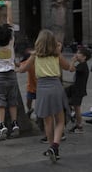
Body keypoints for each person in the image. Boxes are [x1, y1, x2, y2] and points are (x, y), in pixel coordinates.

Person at [18, 29, 70, 162]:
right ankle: (55, 147)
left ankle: (51, 146)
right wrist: (59, 50)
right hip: (56, 86)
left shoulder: (35, 56)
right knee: (60, 121)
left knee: (48, 121)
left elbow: (23, 69)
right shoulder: (56, 55)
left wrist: (15, 66)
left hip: (41, 88)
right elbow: (67, 67)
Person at [0, 0, 20, 139]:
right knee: (12, 99)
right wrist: (8, 6)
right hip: (11, 74)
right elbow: (10, 23)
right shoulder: (11, 40)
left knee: (0, 100)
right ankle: (14, 123)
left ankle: (2, 125)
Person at [66, 47, 91, 134]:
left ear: (84, 57)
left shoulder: (82, 65)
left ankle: (79, 126)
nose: (76, 54)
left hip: (78, 90)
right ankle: (74, 118)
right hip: (76, 89)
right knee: (74, 105)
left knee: (77, 108)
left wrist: (73, 61)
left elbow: (71, 69)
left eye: (79, 53)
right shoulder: (82, 65)